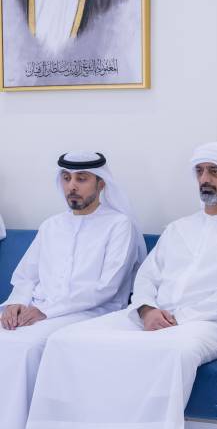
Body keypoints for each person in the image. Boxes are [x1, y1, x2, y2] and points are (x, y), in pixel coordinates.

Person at [26, 142, 217, 429]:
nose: (205, 179)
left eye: (214, 172)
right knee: (66, 339)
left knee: (172, 349)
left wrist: (178, 318)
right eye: (199, 171)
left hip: (214, 323)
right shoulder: (179, 227)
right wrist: (147, 310)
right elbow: (146, 277)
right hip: (151, 317)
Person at [0, 151, 144, 429]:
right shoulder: (51, 225)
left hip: (91, 314)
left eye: (82, 179)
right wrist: (15, 303)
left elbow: (107, 288)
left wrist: (45, 311)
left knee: (26, 346)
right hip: (37, 309)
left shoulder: (119, 225)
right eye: (66, 178)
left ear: (101, 183)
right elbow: (27, 275)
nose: (72, 186)